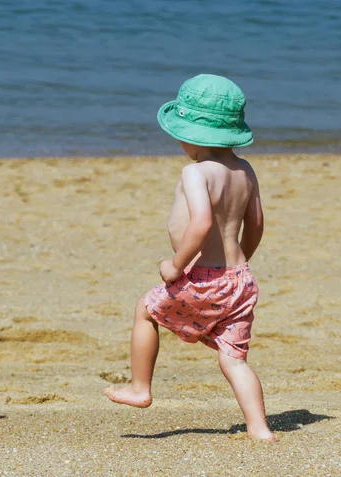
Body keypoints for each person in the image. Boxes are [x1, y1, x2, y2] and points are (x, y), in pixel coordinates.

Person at [104, 74, 276, 441]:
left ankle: (140, 387)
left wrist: (176, 266)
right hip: (240, 278)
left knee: (145, 310)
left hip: (206, 278)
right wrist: (242, 263)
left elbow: (200, 223)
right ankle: (260, 429)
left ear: (191, 133)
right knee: (234, 359)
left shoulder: (196, 172)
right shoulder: (245, 170)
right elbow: (257, 223)